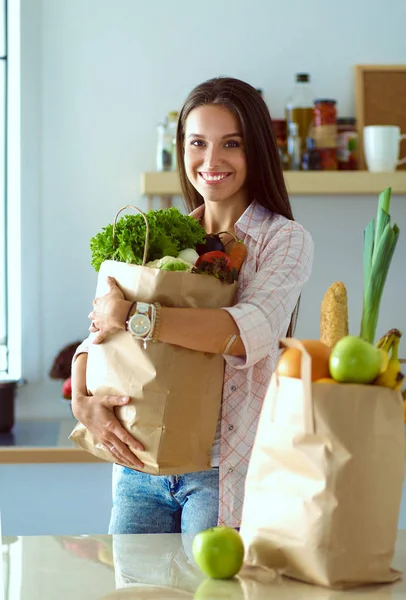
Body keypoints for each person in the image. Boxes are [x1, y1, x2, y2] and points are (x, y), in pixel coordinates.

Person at [71, 76, 314, 535]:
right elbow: (100, 333)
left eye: (231, 144)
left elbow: (246, 331)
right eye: (197, 142)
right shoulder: (160, 239)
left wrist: (134, 315)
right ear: (182, 150)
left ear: (256, 151)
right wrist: (82, 401)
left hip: (222, 470)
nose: (211, 160)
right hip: (138, 464)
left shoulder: (285, 240)